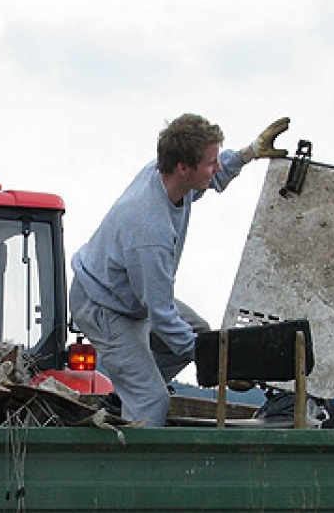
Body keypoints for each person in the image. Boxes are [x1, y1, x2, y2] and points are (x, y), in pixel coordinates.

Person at [69, 113, 290, 426]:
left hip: (126, 293)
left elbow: (216, 176)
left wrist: (250, 151)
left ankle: (123, 399)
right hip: (104, 306)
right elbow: (159, 313)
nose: (216, 168)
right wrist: (221, 368)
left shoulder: (167, 177)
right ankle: (135, 468)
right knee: (151, 399)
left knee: (198, 334)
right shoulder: (150, 231)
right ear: (184, 168)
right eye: (210, 162)